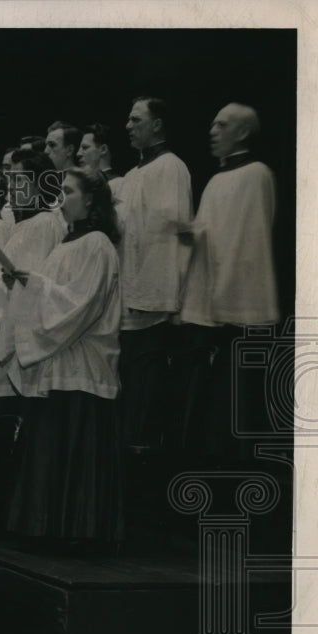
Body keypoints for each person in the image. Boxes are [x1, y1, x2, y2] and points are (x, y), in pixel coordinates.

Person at [0, 167, 123, 545]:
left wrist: (33, 284)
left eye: (68, 191)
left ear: (91, 199)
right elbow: (52, 292)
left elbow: (80, 305)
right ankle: (44, 528)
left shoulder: (97, 244)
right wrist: (24, 283)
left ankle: (73, 532)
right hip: (59, 359)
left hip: (81, 364)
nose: (61, 198)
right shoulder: (67, 242)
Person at [173, 102, 279, 459]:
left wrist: (225, 294)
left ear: (243, 132)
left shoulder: (257, 174)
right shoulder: (217, 179)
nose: (212, 131)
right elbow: (212, 232)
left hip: (240, 306)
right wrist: (192, 234)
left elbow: (250, 241)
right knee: (214, 397)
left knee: (239, 396)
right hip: (215, 304)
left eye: (221, 125)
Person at [116, 96, 193, 451]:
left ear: (157, 124)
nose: (128, 126)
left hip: (153, 304)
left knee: (148, 393)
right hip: (130, 298)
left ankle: (144, 457)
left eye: (136, 120)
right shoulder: (133, 175)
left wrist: (160, 296)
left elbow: (173, 235)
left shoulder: (171, 167)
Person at [78, 123, 124, 199]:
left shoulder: (119, 184)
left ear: (103, 150)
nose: (78, 153)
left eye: (85, 148)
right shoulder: (79, 184)